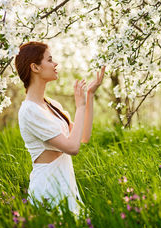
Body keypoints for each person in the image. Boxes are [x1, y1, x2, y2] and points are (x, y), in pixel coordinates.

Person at [15, 41, 105, 216]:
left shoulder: (51, 105)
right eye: (49, 60)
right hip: (48, 187)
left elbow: (83, 136)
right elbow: (72, 148)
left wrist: (89, 95)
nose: (55, 64)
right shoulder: (29, 111)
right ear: (35, 67)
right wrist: (79, 107)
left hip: (66, 183)